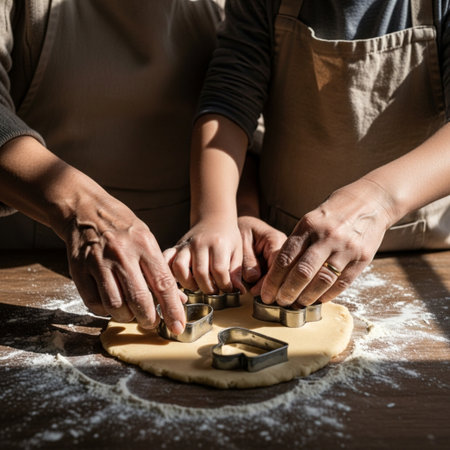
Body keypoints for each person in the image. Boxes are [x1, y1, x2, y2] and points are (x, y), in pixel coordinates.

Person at [167, 0, 450, 307]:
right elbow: (230, 102)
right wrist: (219, 215)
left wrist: (379, 200)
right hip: (285, 259)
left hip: (421, 260)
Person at [0, 0, 228, 334]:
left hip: (183, 277)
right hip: (25, 271)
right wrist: (82, 208)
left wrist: (236, 213)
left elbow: (243, 111)